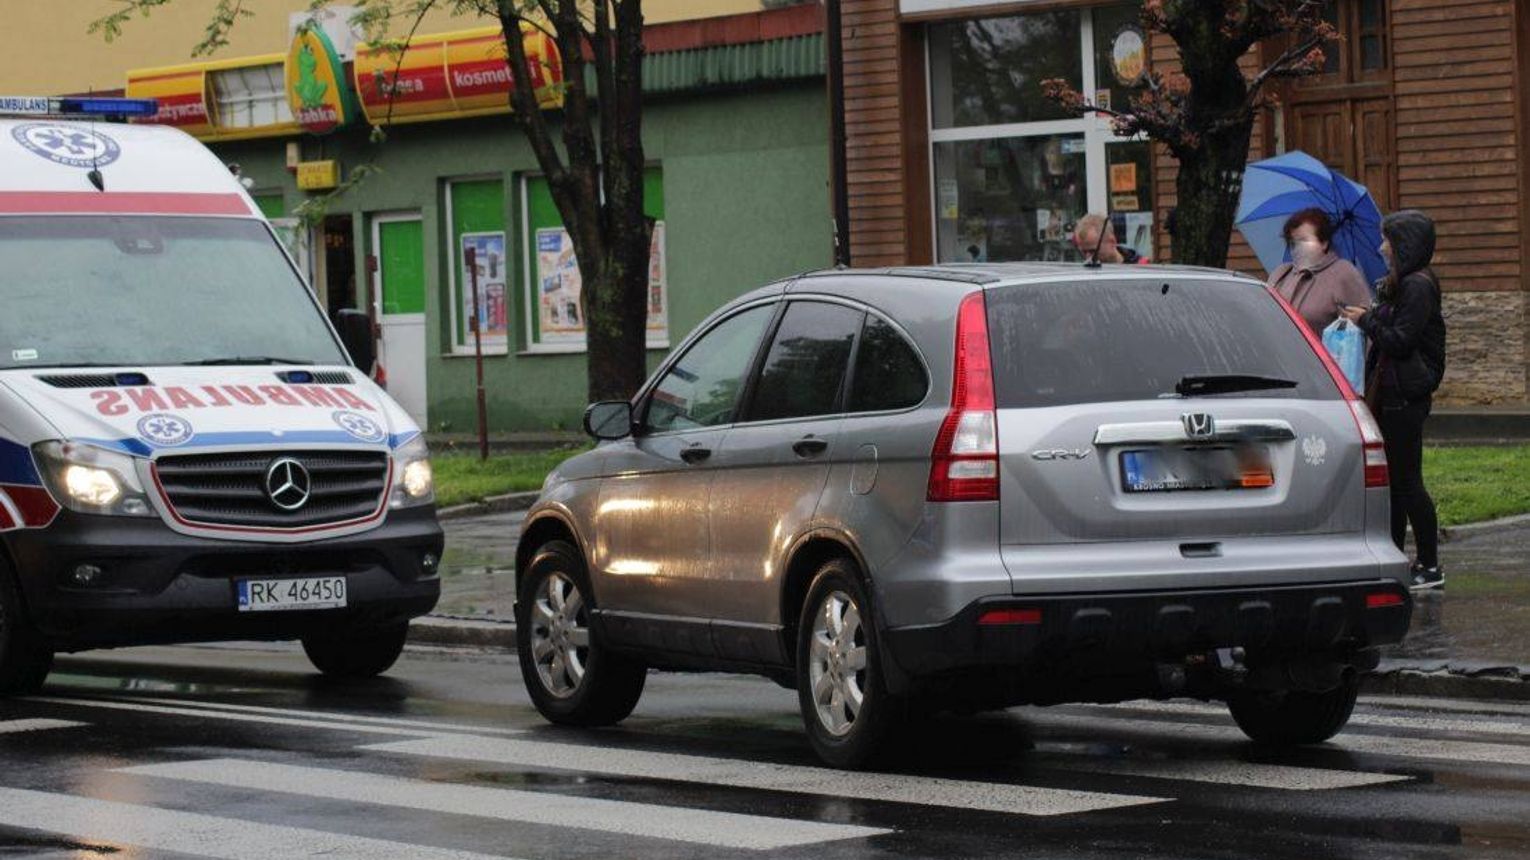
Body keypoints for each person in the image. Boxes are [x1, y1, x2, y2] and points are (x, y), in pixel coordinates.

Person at [1339, 210, 1447, 590]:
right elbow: (1394, 323)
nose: (1381, 246)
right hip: (1391, 394)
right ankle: (1396, 555)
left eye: (1387, 240)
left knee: (1407, 482)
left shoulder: (1418, 286)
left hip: (1406, 396)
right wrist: (1373, 309)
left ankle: (1430, 565)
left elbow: (1400, 340)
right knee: (1395, 484)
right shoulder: (1404, 284)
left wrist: (1367, 321)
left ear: (1405, 244)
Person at [1267, 208, 1372, 335]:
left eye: (1304, 240)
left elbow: (1363, 330)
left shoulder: (1344, 273)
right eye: (1292, 242)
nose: (1297, 248)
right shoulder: (1281, 273)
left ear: (1324, 243)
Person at [1072, 213, 1150, 264]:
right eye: (1083, 252)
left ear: (1112, 242)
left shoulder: (1142, 269)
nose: (1088, 258)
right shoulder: (1082, 275)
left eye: (1093, 251)